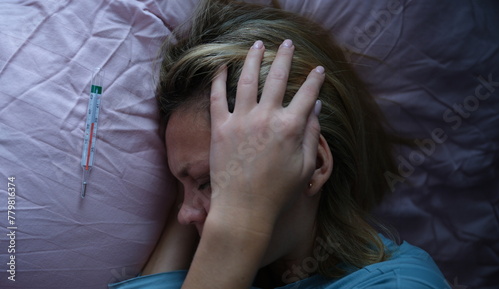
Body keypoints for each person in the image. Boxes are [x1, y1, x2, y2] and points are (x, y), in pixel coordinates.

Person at [109, 0, 451, 288]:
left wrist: (238, 220)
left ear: (314, 164)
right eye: (180, 186)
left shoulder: (401, 283)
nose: (183, 215)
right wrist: (200, 182)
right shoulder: (234, 266)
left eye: (208, 182)